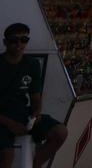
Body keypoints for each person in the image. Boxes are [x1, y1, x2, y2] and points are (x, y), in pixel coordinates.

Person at [0, 23, 68, 168]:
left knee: (60, 132)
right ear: (5, 42)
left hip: (23, 113)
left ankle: (35, 164)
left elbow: (35, 97)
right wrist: (11, 124)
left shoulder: (32, 64)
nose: (19, 44)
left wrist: (36, 114)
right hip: (2, 116)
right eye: (14, 40)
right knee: (7, 158)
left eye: (24, 39)